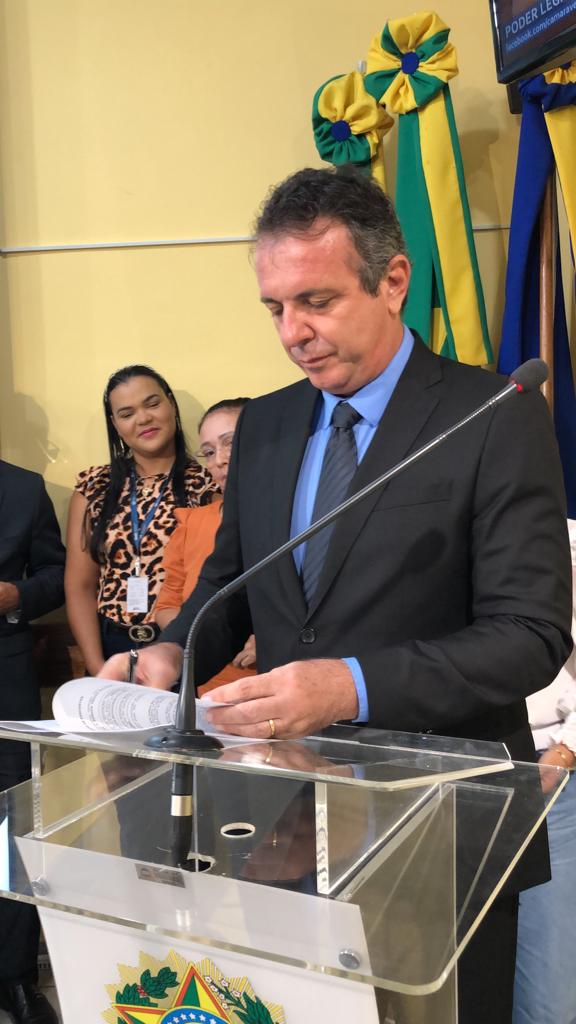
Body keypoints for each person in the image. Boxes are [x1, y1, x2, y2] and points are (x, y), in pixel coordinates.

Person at [100, 167, 573, 1022]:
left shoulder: (492, 416)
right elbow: (232, 584)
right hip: (284, 821)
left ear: (393, 281)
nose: (294, 333)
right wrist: (173, 650)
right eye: (275, 309)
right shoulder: (271, 422)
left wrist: (346, 685)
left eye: (316, 301)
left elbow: (530, 635)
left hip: (442, 824)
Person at [65, 365, 215, 675]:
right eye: (127, 413)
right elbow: (80, 586)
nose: (143, 419)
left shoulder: (207, 485)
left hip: (180, 645)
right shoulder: (94, 487)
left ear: (171, 404)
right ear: (115, 424)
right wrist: (97, 666)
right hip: (110, 644)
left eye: (152, 403)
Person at [0, 460, 65, 1024]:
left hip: (6, 679)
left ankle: (13, 976)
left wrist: (14, 595)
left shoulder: (23, 488)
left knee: (13, 827)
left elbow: (56, 573)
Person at [512, 519, 576, 1024]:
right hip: (448, 769)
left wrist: (563, 752)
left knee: (545, 997)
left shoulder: (564, 542)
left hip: (545, 773)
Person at [154, 397, 256, 688]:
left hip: (274, 678)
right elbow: (167, 603)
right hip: (206, 683)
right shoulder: (192, 523)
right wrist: (197, 638)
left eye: (230, 443)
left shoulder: (298, 518)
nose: (219, 460)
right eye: (209, 452)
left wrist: (272, 637)